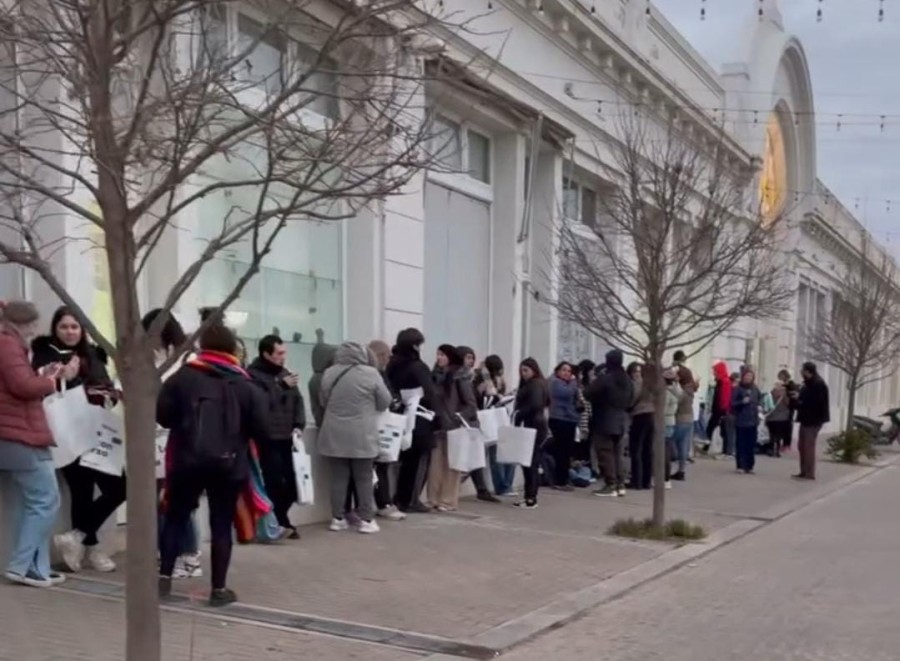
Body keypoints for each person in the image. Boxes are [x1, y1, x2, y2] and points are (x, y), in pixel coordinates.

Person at [157, 324, 270, 607]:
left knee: (175, 518)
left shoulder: (182, 377)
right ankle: (218, 589)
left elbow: (164, 417)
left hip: (185, 461)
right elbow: (263, 430)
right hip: (229, 465)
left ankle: (163, 580)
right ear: (232, 349)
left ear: (203, 346)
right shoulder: (246, 384)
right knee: (220, 524)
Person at [32, 306, 122, 573]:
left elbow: (103, 385)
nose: (70, 332)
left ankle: (77, 536)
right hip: (66, 431)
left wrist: (109, 392)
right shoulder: (45, 355)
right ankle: (91, 550)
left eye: (75, 326)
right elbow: (44, 391)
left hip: (97, 429)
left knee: (120, 486)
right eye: (64, 327)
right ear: (55, 329)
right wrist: (66, 379)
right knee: (81, 492)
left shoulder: (93, 354)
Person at [0, 301, 66, 588]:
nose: (34, 331)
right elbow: (22, 387)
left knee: (28, 503)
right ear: (23, 324)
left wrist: (41, 375)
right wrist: (50, 381)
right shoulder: (7, 344)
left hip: (13, 434)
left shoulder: (9, 345)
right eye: (33, 325)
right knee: (45, 500)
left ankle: (35, 568)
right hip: (20, 434)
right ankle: (21, 566)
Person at [142, 308, 203, 580]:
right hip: (152, 434)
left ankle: (187, 554)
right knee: (159, 499)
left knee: (177, 498)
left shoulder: (185, 358)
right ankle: (167, 552)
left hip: (179, 435)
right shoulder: (146, 358)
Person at [318, 342, 392, 532]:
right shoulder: (370, 373)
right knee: (364, 478)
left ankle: (337, 518)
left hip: (334, 433)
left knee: (338, 478)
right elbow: (385, 401)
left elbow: (322, 400)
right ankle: (366, 520)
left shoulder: (329, 373)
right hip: (362, 434)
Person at [248, 335, 306, 539]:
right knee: (274, 482)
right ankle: (277, 522)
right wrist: (279, 386)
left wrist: (299, 425)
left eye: (284, 353)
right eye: (279, 353)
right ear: (266, 354)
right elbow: (258, 403)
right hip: (267, 438)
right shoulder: (253, 375)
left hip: (288, 438)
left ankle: (280, 517)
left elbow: (298, 401)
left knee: (293, 483)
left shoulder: (285, 374)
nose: (283, 357)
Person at [386, 328, 442, 513]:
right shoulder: (418, 367)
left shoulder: (392, 364)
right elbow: (430, 392)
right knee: (418, 462)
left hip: (400, 415)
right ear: (414, 345)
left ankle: (400, 498)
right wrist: (438, 418)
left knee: (403, 462)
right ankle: (411, 500)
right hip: (420, 417)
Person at [428, 345, 479, 512]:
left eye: (443, 355)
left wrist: (457, 417)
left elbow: (471, 404)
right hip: (437, 425)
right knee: (435, 464)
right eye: (438, 354)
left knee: (452, 465)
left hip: (453, 426)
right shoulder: (435, 375)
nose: (439, 358)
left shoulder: (459, 377)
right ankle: (433, 498)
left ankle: (448, 500)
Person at [587, 350, 634, 497]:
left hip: (603, 420)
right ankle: (620, 484)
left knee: (605, 453)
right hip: (621, 420)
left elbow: (588, 393)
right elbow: (631, 400)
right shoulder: (627, 380)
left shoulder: (606, 378)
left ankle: (610, 484)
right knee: (617, 454)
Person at [369, 339, 406, 522]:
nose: (388, 360)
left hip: (376, 424)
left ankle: (384, 502)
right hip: (376, 425)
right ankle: (383, 503)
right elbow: (384, 398)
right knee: (380, 465)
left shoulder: (379, 374)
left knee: (381, 465)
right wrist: (394, 402)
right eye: (386, 356)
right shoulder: (375, 375)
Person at [458, 346, 501, 503]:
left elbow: (480, 399)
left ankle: (481, 489)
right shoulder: (462, 377)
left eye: (472, 358)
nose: (470, 361)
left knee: (477, 456)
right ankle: (456, 486)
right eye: (467, 357)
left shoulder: (474, 377)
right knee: (467, 457)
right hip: (462, 420)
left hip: (474, 420)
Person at [512, 357, 549, 509]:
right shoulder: (539, 384)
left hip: (533, 425)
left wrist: (518, 414)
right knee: (529, 462)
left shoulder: (535, 384)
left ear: (533, 370)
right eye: (521, 371)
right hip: (535, 425)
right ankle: (529, 496)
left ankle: (531, 498)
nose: (523, 374)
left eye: (526, 370)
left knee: (530, 463)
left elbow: (535, 404)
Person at [476, 354, 514, 496]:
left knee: (506, 452)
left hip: (500, 417)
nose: (500, 373)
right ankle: (501, 486)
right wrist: (494, 397)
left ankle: (506, 485)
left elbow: (501, 392)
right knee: (494, 452)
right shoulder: (480, 378)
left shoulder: (499, 380)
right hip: (487, 418)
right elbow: (480, 397)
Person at [793, 362, 830, 481]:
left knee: (808, 446)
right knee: (801, 445)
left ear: (808, 371)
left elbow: (817, 403)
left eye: (802, 370)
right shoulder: (808, 384)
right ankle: (803, 471)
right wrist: (799, 399)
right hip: (805, 419)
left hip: (813, 420)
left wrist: (800, 401)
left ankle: (809, 473)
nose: (800, 372)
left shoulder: (818, 384)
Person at [548, 362, 580, 491]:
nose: (567, 373)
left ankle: (564, 479)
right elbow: (566, 393)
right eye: (564, 370)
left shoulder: (568, 384)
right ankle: (559, 480)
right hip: (559, 418)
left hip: (570, 419)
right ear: (557, 371)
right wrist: (573, 382)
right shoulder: (555, 383)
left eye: (569, 371)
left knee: (567, 452)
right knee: (561, 451)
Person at [627, 362, 655, 490]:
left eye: (638, 372)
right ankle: (646, 481)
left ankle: (636, 481)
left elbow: (633, 399)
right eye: (635, 372)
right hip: (651, 415)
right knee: (647, 450)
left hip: (639, 415)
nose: (636, 374)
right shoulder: (651, 384)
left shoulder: (637, 384)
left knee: (636, 449)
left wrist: (627, 407)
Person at [671, 351, 697, 481]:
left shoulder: (682, 390)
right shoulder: (691, 389)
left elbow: (676, 400)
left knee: (670, 442)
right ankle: (681, 470)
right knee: (683, 446)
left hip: (679, 418)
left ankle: (668, 468)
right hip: (689, 418)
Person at [731, 369, 762, 474]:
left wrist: (759, 407)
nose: (748, 378)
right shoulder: (738, 389)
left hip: (753, 420)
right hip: (741, 420)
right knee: (741, 443)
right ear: (743, 377)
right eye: (746, 376)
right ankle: (740, 465)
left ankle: (749, 466)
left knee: (751, 444)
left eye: (750, 376)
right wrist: (742, 402)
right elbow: (733, 403)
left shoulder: (755, 389)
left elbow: (759, 400)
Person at [765, 370, 797, 456]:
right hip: (775, 416)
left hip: (779, 416)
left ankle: (776, 449)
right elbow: (768, 403)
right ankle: (774, 449)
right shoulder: (772, 393)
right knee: (774, 434)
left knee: (776, 434)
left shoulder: (784, 392)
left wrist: (783, 396)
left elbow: (788, 404)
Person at [704, 361, 733, 455]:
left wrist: (722, 411)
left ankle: (709, 447)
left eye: (715, 371)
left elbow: (724, 397)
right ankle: (723, 449)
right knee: (716, 429)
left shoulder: (724, 382)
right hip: (719, 410)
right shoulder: (721, 381)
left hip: (720, 410)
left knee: (713, 428)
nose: (713, 373)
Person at [662, 368, 682, 488]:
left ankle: (665, 478)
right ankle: (666, 478)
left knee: (663, 452)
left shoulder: (666, 392)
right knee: (667, 450)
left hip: (664, 421)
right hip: (671, 421)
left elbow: (662, 410)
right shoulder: (676, 390)